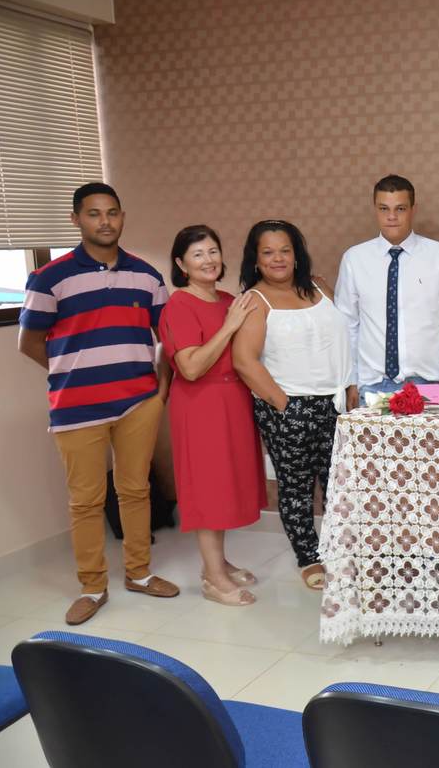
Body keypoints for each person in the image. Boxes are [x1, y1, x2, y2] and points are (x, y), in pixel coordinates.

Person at [18, 182, 179, 625]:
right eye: (94, 213)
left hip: (138, 402)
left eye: (112, 212)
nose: (105, 221)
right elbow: (29, 342)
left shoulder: (147, 275)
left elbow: (167, 337)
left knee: (135, 490)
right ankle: (92, 587)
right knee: (86, 501)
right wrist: (72, 373)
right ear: (76, 219)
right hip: (76, 407)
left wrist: (160, 389)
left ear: (122, 217)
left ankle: (139, 574)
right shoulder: (50, 277)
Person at [232, 220, 353, 591]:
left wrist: (349, 383)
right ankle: (308, 557)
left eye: (285, 250)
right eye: (268, 252)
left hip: (334, 403)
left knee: (340, 486)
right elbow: (244, 360)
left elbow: (344, 337)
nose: (278, 258)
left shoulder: (319, 287)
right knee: (297, 489)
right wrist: (283, 404)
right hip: (288, 408)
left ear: (296, 254)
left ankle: (339, 551)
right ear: (255, 259)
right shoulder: (256, 300)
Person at [159, 225, 266, 606]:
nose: (209, 260)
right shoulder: (179, 306)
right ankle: (213, 579)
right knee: (207, 487)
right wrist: (229, 326)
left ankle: (217, 562)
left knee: (225, 484)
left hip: (233, 399)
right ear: (181, 263)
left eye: (213, 251)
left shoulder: (227, 299)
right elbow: (190, 367)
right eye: (198, 254)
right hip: (200, 404)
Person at [335, 175, 439, 405]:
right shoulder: (354, 259)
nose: (391, 217)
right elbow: (348, 325)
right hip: (371, 387)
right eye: (384, 208)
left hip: (429, 384)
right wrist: (350, 381)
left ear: (413, 210)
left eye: (400, 209)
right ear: (375, 209)